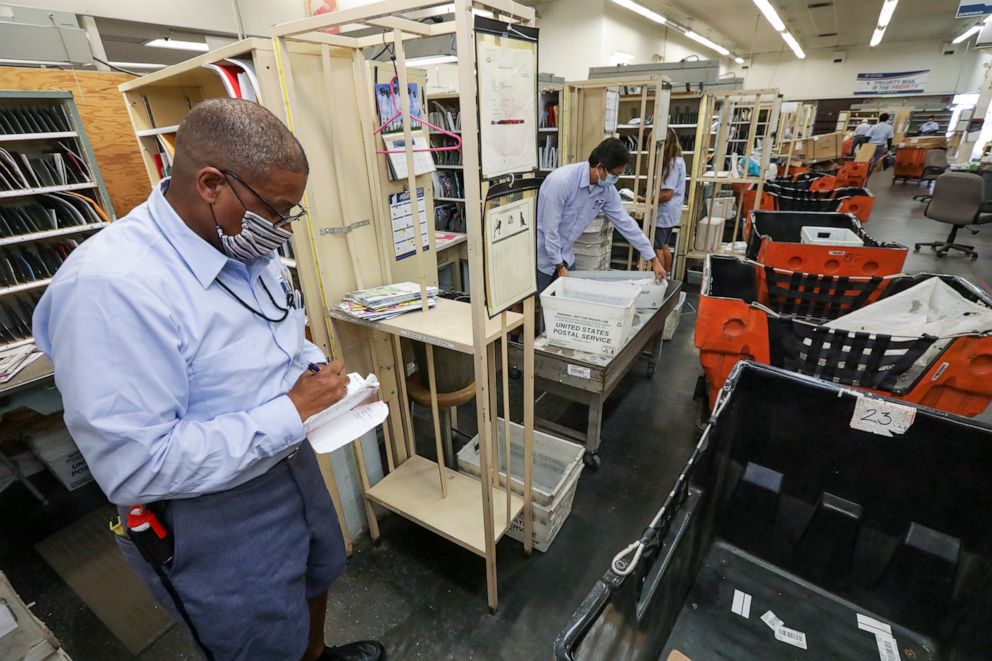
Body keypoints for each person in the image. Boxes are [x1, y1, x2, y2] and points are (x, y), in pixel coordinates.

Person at [32, 99, 384, 661]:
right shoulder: (111, 287)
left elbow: (278, 329)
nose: (281, 229)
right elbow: (137, 465)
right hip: (209, 508)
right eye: (276, 210)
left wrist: (311, 366)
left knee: (317, 571)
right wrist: (291, 410)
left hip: (287, 460)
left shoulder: (238, 239)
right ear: (212, 183)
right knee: (257, 636)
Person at [537, 138, 666, 292]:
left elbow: (626, 224)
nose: (616, 179)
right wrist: (559, 266)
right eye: (615, 174)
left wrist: (653, 259)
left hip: (566, 256)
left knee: (566, 304)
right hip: (542, 258)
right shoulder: (561, 182)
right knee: (536, 306)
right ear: (600, 168)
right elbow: (549, 229)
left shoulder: (606, 190)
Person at [638, 128, 684, 275]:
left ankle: (660, 278)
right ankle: (667, 276)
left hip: (663, 214)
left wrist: (646, 199)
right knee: (665, 245)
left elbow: (667, 194)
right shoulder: (679, 160)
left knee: (656, 249)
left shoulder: (671, 163)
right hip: (671, 213)